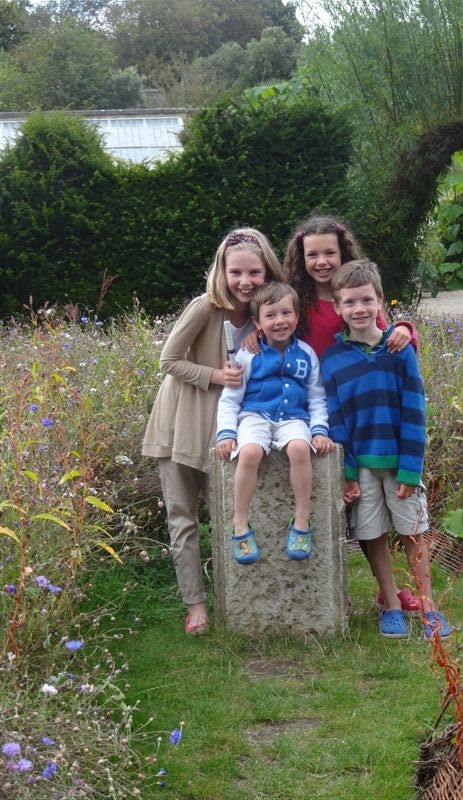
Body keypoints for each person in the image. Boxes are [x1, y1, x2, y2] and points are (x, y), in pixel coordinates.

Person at [142, 228, 286, 635]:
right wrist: (215, 375)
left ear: (267, 271)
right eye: (235, 272)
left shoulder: (267, 312)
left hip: (228, 429)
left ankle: (240, 596)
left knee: (232, 513)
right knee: (183, 517)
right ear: (221, 272)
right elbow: (168, 360)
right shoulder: (205, 307)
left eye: (254, 272)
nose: (244, 281)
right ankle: (196, 605)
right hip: (181, 422)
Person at [282, 214, 421, 615]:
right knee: (342, 503)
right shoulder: (299, 300)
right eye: (313, 254)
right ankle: (339, 586)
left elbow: (386, 337)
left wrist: (406, 328)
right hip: (320, 406)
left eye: (331, 252)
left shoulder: (356, 291)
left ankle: (386, 592)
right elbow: (275, 321)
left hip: (364, 412)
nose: (323, 261)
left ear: (344, 252)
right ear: (301, 257)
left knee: (364, 506)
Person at [320, 259, 451, 640]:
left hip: (399, 462)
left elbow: (414, 410)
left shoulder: (399, 349)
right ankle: (391, 603)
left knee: (414, 534)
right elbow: (337, 419)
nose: (358, 309)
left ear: (380, 300)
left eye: (366, 300)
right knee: (372, 533)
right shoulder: (333, 360)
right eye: (349, 303)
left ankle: (428, 605)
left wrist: (411, 468)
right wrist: (347, 472)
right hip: (361, 466)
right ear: (337, 308)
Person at [215, 281, 334, 564]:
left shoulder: (306, 354)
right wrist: (226, 433)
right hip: (255, 415)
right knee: (250, 452)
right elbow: (231, 399)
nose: (279, 321)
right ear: (257, 322)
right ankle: (240, 521)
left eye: (286, 313)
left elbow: (317, 397)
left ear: (296, 315)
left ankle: (302, 519)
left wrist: (319, 430)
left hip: (294, 418)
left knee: (299, 449)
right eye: (270, 316)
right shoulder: (248, 354)